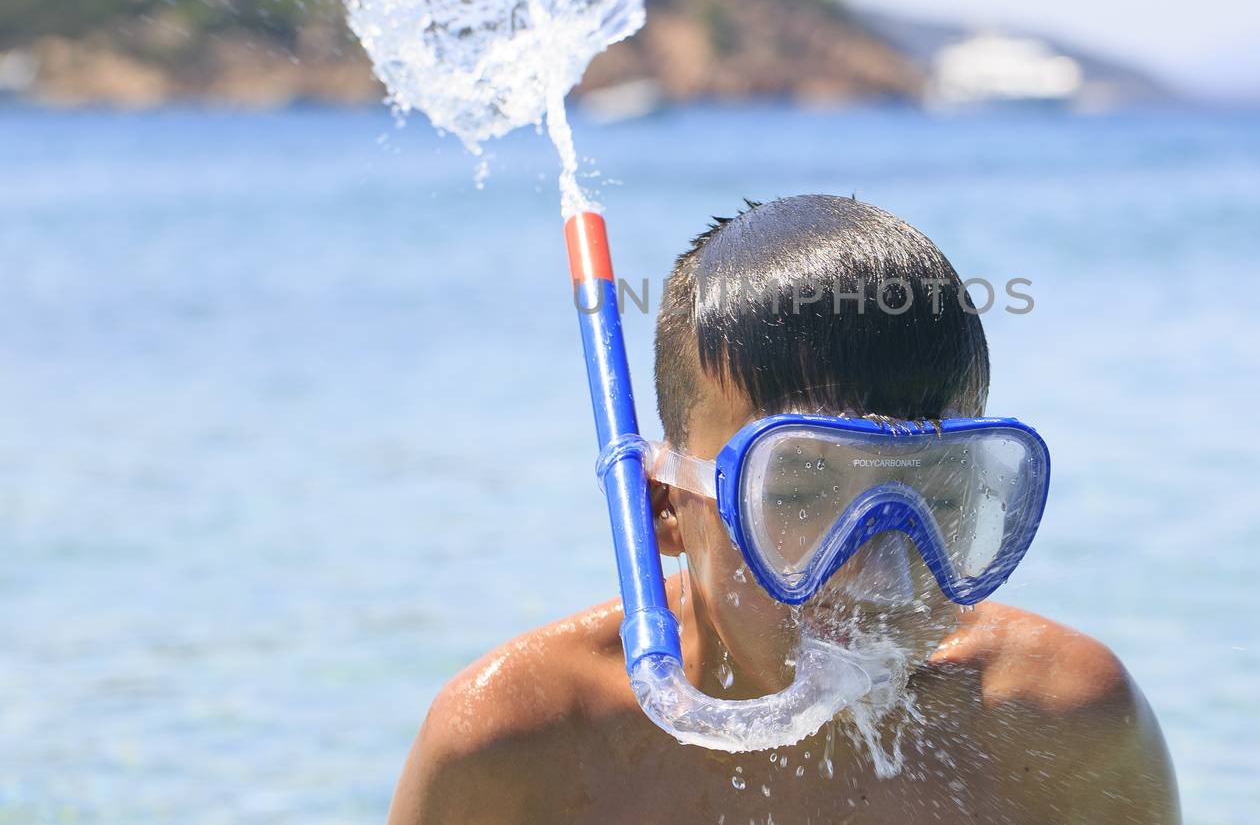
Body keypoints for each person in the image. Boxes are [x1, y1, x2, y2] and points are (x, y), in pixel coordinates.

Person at [388, 194, 1179, 824]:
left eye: (937, 494)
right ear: (664, 505)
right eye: (800, 492)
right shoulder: (513, 749)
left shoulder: (1064, 727)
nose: (881, 571)